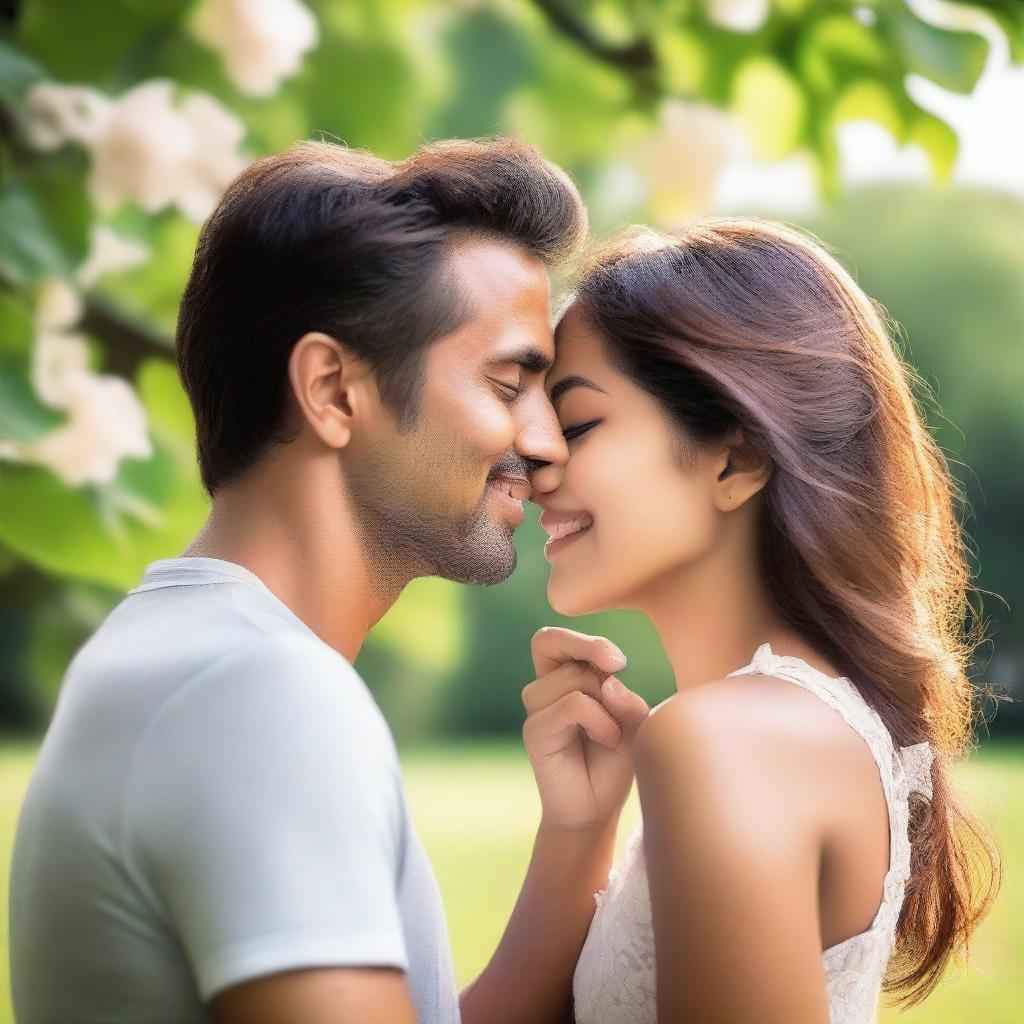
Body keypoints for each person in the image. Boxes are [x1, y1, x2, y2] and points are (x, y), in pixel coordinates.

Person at [8, 136, 651, 1024]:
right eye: (510, 384)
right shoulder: (257, 694)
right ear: (333, 390)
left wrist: (577, 838)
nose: (546, 447)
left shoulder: (184, 654)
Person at [529, 219, 1002, 1023]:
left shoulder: (723, 740)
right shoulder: (789, 725)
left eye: (575, 425)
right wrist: (579, 834)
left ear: (735, 458)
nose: (535, 458)